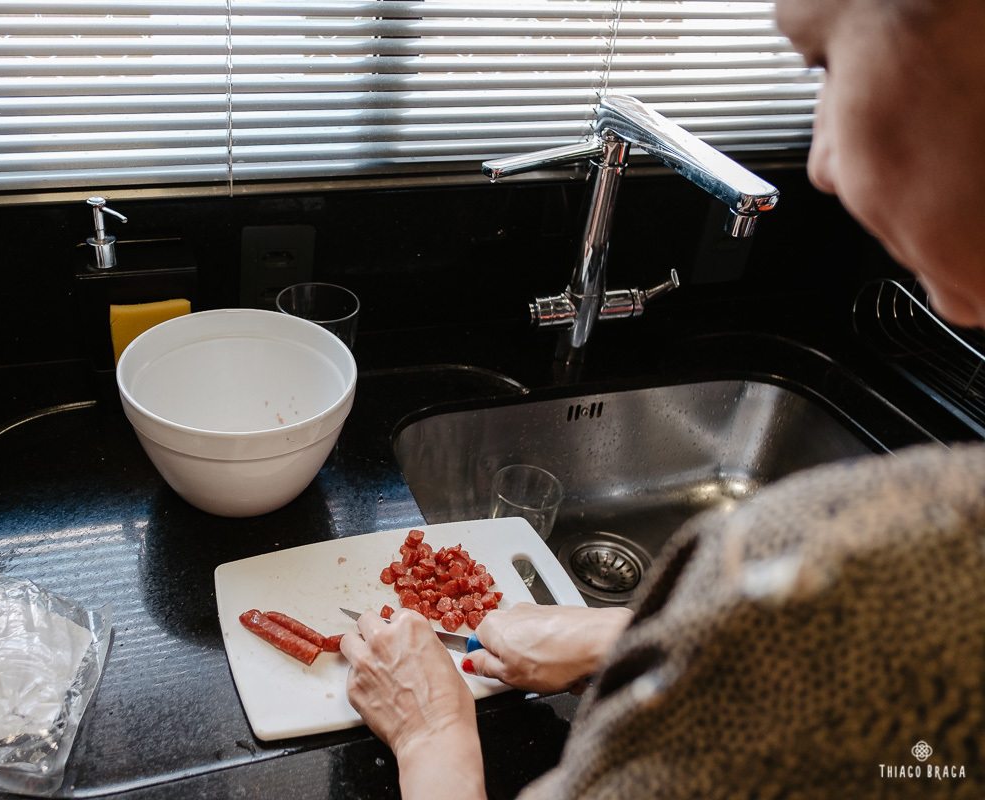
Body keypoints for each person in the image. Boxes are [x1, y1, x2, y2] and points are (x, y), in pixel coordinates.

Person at [340, 0, 985, 797]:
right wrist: (640, 635)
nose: (817, 162)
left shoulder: (845, 566)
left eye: (823, 63)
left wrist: (433, 733)